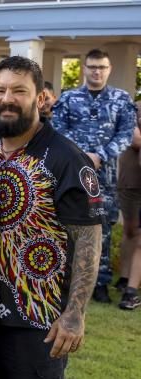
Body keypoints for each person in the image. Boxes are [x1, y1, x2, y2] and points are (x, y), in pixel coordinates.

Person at [0, 56, 104, 379]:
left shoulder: (66, 157)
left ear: (42, 98)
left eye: (19, 91)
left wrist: (75, 314)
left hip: (39, 316)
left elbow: (88, 240)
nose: (6, 99)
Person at [52, 48, 137, 303]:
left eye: (101, 67)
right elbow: (57, 131)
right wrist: (81, 156)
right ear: (84, 69)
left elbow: (125, 134)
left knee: (104, 228)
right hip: (71, 175)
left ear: (109, 69)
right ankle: (63, 280)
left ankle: (100, 282)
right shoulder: (68, 99)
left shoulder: (121, 100)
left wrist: (100, 154)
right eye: (92, 67)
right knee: (65, 223)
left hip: (105, 177)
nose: (96, 71)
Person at [115, 102, 141, 310]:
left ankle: (131, 288)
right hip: (131, 181)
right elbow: (133, 139)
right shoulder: (134, 108)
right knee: (131, 231)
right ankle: (126, 281)